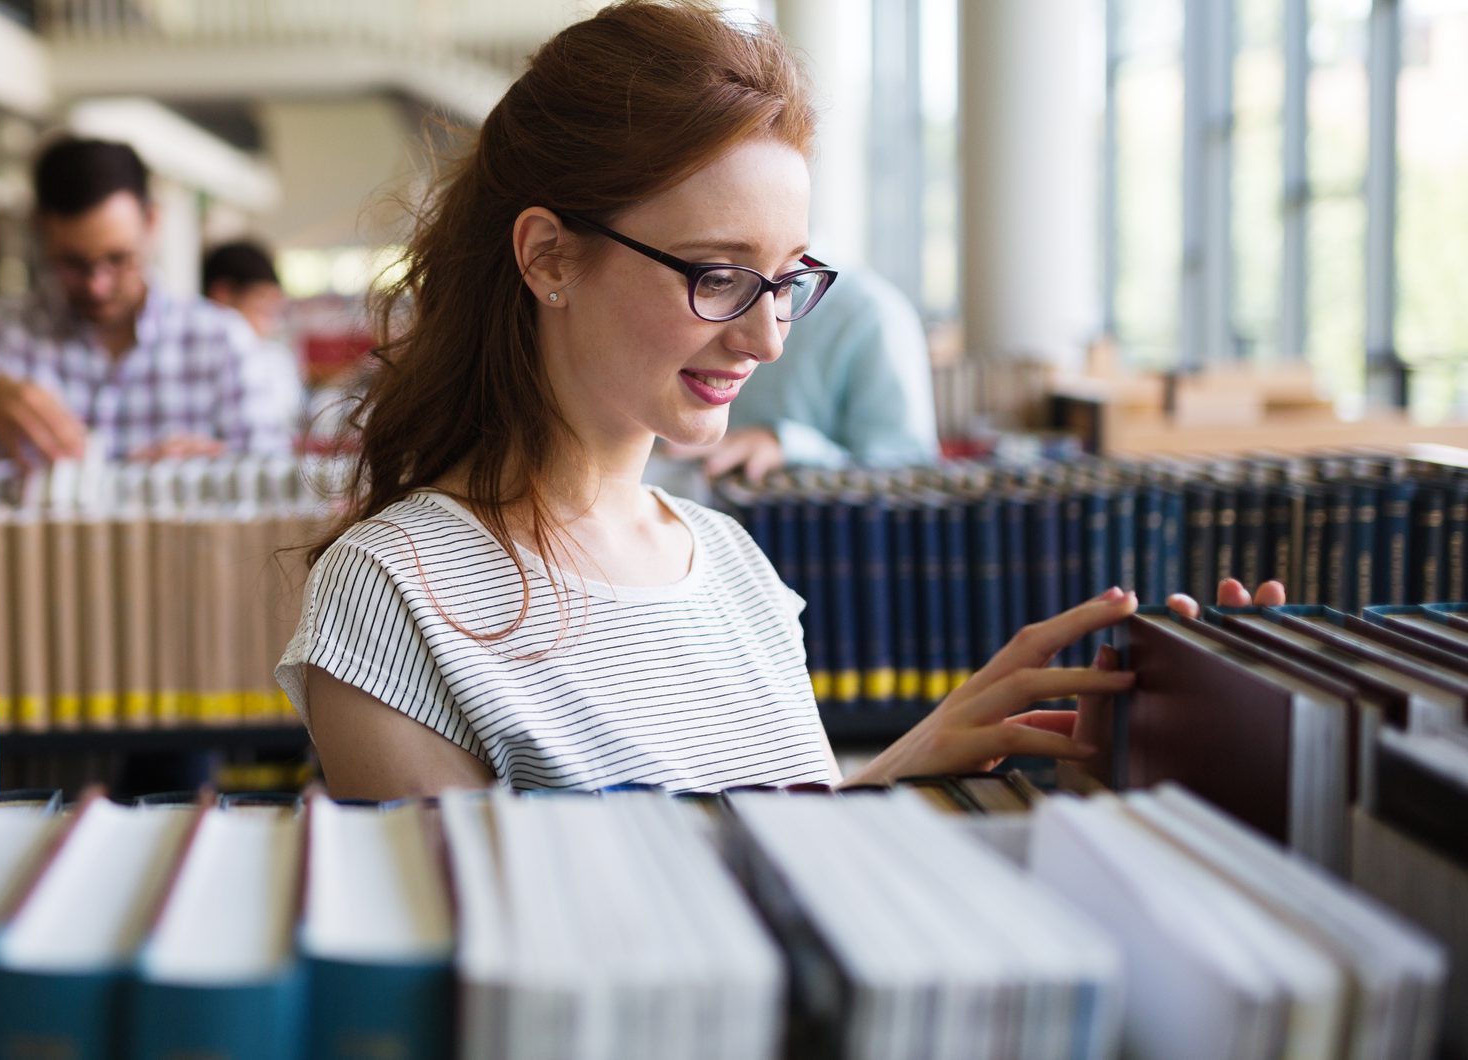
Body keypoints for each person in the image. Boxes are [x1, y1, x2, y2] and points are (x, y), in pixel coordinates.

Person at [274, 1, 1282, 800]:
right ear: (547, 257)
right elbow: (533, 981)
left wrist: (944, 760)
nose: (764, 336)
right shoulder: (392, 594)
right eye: (715, 275)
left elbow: (776, 864)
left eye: (786, 280)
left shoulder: (731, 566)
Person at [0, 138, 298, 463]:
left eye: (118, 259)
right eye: (72, 263)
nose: (97, 286)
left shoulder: (223, 340)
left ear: (151, 222)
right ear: (40, 230)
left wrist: (215, 472)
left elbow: (272, 471)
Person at [658, 262, 939, 483]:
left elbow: (907, 473)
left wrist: (788, 445)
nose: (771, 347)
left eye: (792, 283)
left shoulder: (870, 313)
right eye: (716, 280)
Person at [202, 240, 306, 438]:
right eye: (262, 303)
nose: (271, 321)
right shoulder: (196, 357)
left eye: (275, 308)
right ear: (222, 295)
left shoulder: (275, 359)